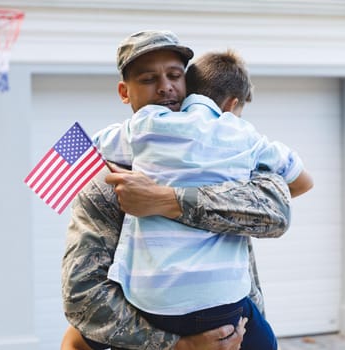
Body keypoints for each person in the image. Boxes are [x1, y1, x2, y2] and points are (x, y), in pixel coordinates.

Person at [61, 30, 294, 350]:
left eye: (175, 75)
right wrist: (178, 345)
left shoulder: (227, 155)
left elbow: (277, 213)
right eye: (147, 79)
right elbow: (82, 295)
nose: (165, 87)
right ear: (124, 92)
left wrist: (166, 200)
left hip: (232, 326)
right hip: (152, 328)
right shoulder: (105, 179)